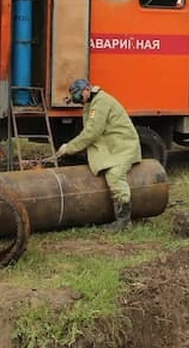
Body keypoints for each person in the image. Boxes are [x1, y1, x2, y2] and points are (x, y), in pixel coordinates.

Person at [55, 78, 141, 232]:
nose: (80, 102)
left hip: (123, 146)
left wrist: (70, 147)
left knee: (114, 175)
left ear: (87, 90)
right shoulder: (92, 103)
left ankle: (124, 222)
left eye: (80, 98)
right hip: (112, 144)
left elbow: (92, 132)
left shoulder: (101, 102)